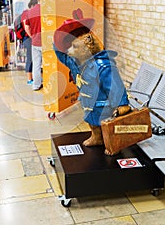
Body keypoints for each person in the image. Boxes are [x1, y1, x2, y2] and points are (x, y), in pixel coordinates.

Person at [53, 9, 130, 155]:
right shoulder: (75, 62)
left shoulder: (103, 65)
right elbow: (61, 54)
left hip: (103, 104)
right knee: (92, 123)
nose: (70, 50)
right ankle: (96, 138)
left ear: (87, 47)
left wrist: (122, 103)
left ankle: (111, 143)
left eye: (74, 47)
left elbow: (115, 85)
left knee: (106, 125)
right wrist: (58, 39)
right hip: (88, 103)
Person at [24, 0, 42, 91]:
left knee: (36, 65)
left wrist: (32, 36)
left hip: (35, 42)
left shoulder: (30, 12)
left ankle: (36, 85)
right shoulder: (47, 10)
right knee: (49, 64)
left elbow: (26, 27)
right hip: (46, 42)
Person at [22, 0, 38, 84]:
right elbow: (26, 27)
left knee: (33, 59)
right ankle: (29, 79)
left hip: (28, 38)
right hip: (28, 39)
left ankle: (33, 78)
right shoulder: (28, 14)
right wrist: (31, 36)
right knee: (30, 58)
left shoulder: (26, 13)